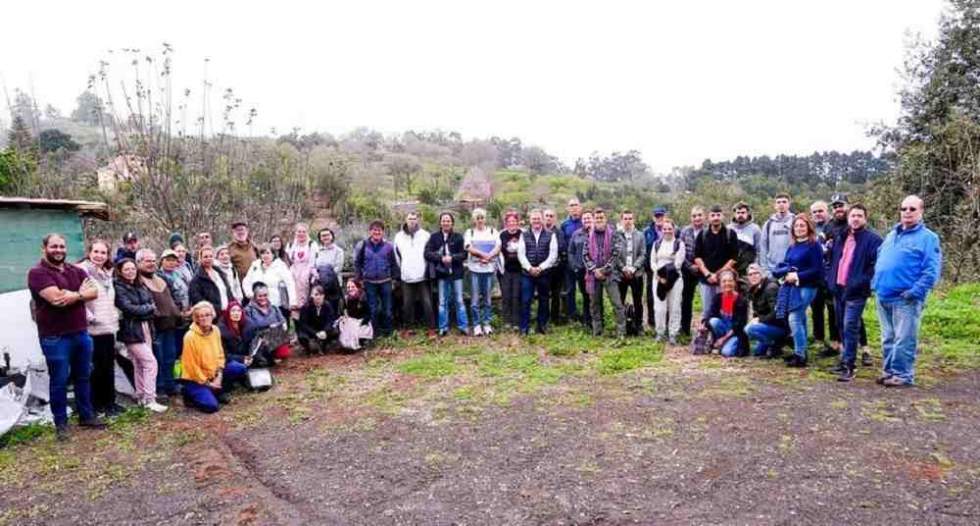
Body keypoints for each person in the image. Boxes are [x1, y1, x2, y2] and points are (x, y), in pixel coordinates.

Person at [29, 234, 106, 440]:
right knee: (59, 380)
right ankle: (61, 424)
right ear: (44, 248)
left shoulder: (75, 270)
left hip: (80, 333)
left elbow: (94, 292)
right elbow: (56, 299)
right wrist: (78, 294)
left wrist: (75, 295)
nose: (59, 250)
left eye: (62, 246)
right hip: (55, 337)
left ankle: (86, 416)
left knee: (83, 376)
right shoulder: (37, 273)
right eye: (54, 246)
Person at [871, 195, 942, 387]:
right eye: (904, 209)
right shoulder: (892, 234)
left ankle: (903, 375)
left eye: (912, 209)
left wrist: (914, 292)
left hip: (905, 299)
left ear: (921, 212)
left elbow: (931, 271)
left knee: (904, 339)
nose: (907, 212)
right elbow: (881, 259)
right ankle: (889, 372)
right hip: (883, 295)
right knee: (888, 338)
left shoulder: (928, 238)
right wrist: (875, 284)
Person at [827, 204, 883, 381]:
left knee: (850, 325)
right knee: (841, 326)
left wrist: (862, 281)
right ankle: (844, 360)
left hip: (856, 291)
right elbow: (833, 259)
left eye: (859, 215)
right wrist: (830, 279)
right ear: (848, 218)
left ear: (865, 218)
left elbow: (876, 266)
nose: (856, 219)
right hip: (839, 288)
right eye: (853, 215)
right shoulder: (841, 236)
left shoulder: (873, 240)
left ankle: (850, 365)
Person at [114, 258, 168, 413]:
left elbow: (152, 304)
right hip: (131, 331)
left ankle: (142, 396)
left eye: (132, 269)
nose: (130, 272)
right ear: (120, 271)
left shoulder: (140, 285)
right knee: (150, 362)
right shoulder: (119, 287)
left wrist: (145, 309)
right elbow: (127, 308)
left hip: (145, 328)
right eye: (126, 269)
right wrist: (146, 309)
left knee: (139, 364)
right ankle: (151, 398)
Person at [772, 214, 824, 368]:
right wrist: (784, 273)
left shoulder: (814, 245)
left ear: (808, 227)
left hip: (807, 286)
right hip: (792, 287)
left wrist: (796, 275)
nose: (799, 228)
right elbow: (787, 263)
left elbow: (817, 270)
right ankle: (801, 351)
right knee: (800, 319)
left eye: (802, 225)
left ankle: (800, 355)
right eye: (796, 226)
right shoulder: (792, 246)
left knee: (794, 318)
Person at [79, 240, 122, 417]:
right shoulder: (81, 271)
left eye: (103, 253)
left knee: (108, 367)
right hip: (92, 329)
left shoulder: (106, 273)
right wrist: (91, 318)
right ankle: (96, 405)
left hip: (108, 327)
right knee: (95, 369)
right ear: (89, 252)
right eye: (96, 251)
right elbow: (79, 299)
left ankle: (110, 403)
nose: (99, 256)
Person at [180, 301, 248, 413]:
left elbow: (221, 355)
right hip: (196, 379)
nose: (204, 318)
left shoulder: (215, 330)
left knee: (240, 368)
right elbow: (192, 368)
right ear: (196, 319)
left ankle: (218, 390)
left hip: (214, 373)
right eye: (200, 316)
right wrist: (209, 384)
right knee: (211, 407)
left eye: (207, 315)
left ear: (213, 315)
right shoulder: (190, 337)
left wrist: (219, 375)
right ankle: (189, 394)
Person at [136, 249, 183, 399]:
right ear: (139, 263)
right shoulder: (138, 281)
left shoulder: (161, 279)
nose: (151, 264)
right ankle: (159, 387)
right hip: (154, 326)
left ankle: (171, 385)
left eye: (153, 260)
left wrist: (178, 313)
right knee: (157, 358)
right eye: (147, 261)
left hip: (170, 324)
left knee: (170, 356)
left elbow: (172, 300)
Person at [426, 212, 469, 336]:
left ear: (452, 223)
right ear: (440, 223)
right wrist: (440, 258)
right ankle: (443, 327)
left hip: (456, 274)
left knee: (459, 300)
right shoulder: (434, 237)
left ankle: (463, 326)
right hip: (442, 274)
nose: (446, 223)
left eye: (448, 221)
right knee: (442, 301)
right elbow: (427, 253)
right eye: (443, 220)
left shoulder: (458, 237)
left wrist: (452, 258)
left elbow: (464, 254)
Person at [354, 220, 399, 338]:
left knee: (387, 310)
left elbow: (394, 264)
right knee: (373, 310)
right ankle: (374, 334)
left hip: (386, 282)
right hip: (369, 283)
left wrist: (395, 280)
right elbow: (357, 263)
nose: (377, 232)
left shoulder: (389, 246)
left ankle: (388, 333)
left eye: (379, 230)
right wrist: (359, 279)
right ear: (370, 231)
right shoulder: (363, 245)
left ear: (383, 232)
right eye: (374, 230)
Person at [693, 205, 739, 322]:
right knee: (707, 310)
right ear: (708, 217)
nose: (715, 218)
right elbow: (697, 257)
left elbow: (734, 257)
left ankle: (724, 337)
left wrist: (719, 274)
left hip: (726, 281)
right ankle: (706, 335)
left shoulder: (730, 234)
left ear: (722, 216)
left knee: (726, 309)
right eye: (713, 215)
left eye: (718, 215)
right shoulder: (702, 235)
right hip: (706, 280)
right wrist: (708, 274)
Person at [583, 208, 624, 338]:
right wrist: (594, 270)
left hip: (610, 274)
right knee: (595, 304)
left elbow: (616, 254)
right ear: (594, 219)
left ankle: (621, 332)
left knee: (617, 303)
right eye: (597, 218)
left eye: (601, 218)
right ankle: (598, 331)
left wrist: (605, 270)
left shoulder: (614, 234)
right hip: (593, 275)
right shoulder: (588, 235)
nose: (599, 220)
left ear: (606, 219)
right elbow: (585, 255)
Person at [518, 209, 558, 335]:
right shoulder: (524, 235)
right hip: (527, 273)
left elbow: (553, 255)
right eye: (533, 219)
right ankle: (524, 327)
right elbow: (521, 254)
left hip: (544, 273)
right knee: (526, 300)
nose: (536, 221)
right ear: (530, 220)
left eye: (538, 218)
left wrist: (540, 268)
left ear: (542, 220)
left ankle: (542, 326)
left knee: (544, 299)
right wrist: (530, 268)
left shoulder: (551, 235)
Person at [394, 212, 435, 335]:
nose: (412, 221)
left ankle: (431, 329)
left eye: (414, 219)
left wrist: (427, 271)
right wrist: (402, 269)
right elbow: (397, 256)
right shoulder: (399, 237)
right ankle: (408, 328)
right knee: (407, 304)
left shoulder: (425, 235)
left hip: (422, 275)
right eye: (410, 218)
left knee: (427, 303)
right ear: (405, 220)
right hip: (406, 276)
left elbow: (429, 253)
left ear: (418, 220)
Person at [810, 199, 840, 358]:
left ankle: (835, 340)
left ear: (827, 211)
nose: (817, 214)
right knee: (816, 308)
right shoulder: (810, 230)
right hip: (815, 275)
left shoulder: (833, 227)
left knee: (832, 309)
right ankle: (819, 338)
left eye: (820, 211)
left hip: (832, 275)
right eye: (814, 212)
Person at [464, 208, 501, 336]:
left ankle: (487, 323)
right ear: (474, 220)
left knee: (487, 299)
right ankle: (476, 324)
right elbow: (468, 247)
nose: (480, 220)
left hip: (489, 270)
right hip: (475, 269)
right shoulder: (470, 232)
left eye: (482, 218)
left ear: (485, 219)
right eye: (477, 218)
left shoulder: (493, 231)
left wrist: (489, 257)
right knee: (474, 300)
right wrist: (483, 255)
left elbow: (498, 246)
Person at [651, 219, 686, 344]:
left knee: (674, 306)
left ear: (674, 229)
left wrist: (666, 276)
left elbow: (678, 263)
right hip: (658, 279)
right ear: (661, 230)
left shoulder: (679, 244)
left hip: (675, 279)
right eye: (664, 229)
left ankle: (673, 333)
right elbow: (653, 262)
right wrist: (659, 276)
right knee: (659, 308)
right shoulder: (657, 244)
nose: (667, 231)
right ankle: (660, 333)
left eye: (669, 228)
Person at [243, 244, 299, 321]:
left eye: (268, 253)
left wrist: (293, 302)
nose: (265, 256)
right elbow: (246, 281)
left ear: (273, 254)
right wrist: (249, 293)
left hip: (275, 304)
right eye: (263, 253)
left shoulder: (280, 266)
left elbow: (290, 283)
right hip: (257, 305)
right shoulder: (255, 265)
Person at [743, 263, 788, 358]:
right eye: (750, 274)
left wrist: (759, 320)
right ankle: (772, 344)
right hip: (767, 325)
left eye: (756, 273)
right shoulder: (754, 289)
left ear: (762, 274)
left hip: (780, 327)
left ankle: (777, 344)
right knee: (758, 352)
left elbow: (777, 314)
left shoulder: (771, 288)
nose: (753, 276)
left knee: (749, 329)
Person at [702, 270, 749, 358]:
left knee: (727, 353)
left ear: (735, 283)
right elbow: (710, 314)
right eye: (724, 281)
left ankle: (722, 344)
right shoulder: (718, 298)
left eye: (730, 281)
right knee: (713, 321)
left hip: (735, 332)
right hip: (722, 329)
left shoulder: (741, 300)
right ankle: (717, 342)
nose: (727, 283)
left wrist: (723, 340)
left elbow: (739, 325)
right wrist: (703, 324)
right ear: (720, 284)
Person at [615, 210, 646, 333]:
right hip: (621, 273)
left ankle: (639, 325)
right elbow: (614, 254)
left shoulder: (640, 235)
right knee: (620, 301)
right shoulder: (616, 235)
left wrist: (633, 268)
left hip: (636, 273)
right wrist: (623, 268)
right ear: (621, 220)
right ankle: (621, 327)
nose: (628, 221)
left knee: (638, 301)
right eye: (625, 219)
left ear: (633, 220)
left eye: (630, 218)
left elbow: (643, 254)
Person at [244, 283, 291, 361]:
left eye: (265, 295)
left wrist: (276, 326)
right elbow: (252, 326)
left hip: (276, 337)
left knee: (283, 352)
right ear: (255, 296)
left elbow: (283, 321)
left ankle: (272, 356)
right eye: (260, 296)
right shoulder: (248, 310)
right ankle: (262, 357)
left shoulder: (274, 308)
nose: (263, 298)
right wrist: (269, 326)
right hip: (258, 340)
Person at [678, 207, 706, 336]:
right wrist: (690, 266)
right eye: (694, 216)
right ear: (691, 218)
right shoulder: (685, 231)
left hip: (705, 271)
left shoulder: (708, 231)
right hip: (688, 270)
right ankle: (685, 329)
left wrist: (701, 267)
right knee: (686, 300)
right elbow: (680, 253)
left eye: (699, 215)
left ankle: (706, 330)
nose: (697, 218)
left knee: (707, 301)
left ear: (704, 216)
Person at [566, 209, 594, 330]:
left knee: (595, 296)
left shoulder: (598, 233)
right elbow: (570, 251)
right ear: (582, 221)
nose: (587, 220)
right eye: (585, 219)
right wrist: (575, 267)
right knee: (585, 296)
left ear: (593, 219)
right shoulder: (576, 234)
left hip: (595, 271)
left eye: (589, 218)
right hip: (581, 270)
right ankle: (587, 321)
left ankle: (597, 320)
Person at [498, 211, 524, 330]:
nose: (512, 223)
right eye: (509, 221)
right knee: (506, 295)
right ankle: (506, 321)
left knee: (516, 295)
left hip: (519, 269)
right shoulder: (501, 235)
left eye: (514, 221)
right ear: (506, 223)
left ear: (518, 222)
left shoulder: (523, 233)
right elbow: (497, 251)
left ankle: (516, 322)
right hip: (505, 270)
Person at [188, 245, 233, 313]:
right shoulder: (196, 279)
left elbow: (228, 292)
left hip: (227, 312)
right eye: (205, 257)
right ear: (200, 259)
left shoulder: (220, 273)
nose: (209, 259)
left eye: (211, 256)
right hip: (211, 315)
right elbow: (198, 300)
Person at [560, 198, 584, 323]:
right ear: (568, 208)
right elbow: (563, 243)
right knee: (569, 289)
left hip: (584, 263)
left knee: (585, 289)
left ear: (580, 207)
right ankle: (571, 315)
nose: (574, 207)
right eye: (571, 205)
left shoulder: (585, 222)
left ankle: (587, 315)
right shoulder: (564, 225)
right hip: (569, 263)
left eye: (576, 205)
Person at [760, 193, 795, 276]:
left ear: (789, 204)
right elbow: (763, 247)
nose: (781, 204)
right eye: (778, 202)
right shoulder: (768, 224)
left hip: (791, 268)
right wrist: (765, 269)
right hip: (772, 269)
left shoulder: (795, 221)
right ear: (775, 205)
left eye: (784, 202)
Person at [643, 207, 667, 328]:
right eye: (657, 216)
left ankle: (666, 321)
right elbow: (644, 250)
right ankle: (652, 321)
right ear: (653, 217)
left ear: (665, 217)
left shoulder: (671, 229)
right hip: (651, 269)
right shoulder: (647, 231)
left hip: (667, 268)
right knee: (651, 295)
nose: (659, 218)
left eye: (661, 216)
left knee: (666, 294)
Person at [297, 285, 338, 354]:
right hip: (311, 330)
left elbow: (330, 321)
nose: (318, 297)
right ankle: (310, 347)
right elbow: (304, 324)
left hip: (323, 330)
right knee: (302, 336)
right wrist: (315, 333)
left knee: (335, 331)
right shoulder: (306, 307)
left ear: (323, 296)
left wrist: (325, 331)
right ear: (311, 296)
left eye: (320, 295)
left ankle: (324, 344)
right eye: (315, 295)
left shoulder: (328, 306)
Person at [543, 208, 567, 324]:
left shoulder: (559, 233)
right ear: (543, 217)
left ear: (555, 218)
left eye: (551, 216)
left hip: (557, 268)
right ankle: (544, 317)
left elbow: (562, 247)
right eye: (547, 215)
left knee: (556, 294)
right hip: (543, 268)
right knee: (544, 293)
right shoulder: (539, 232)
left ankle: (555, 318)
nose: (549, 218)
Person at [286, 223, 317, 310]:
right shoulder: (291, 244)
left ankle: (303, 307)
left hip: (307, 268)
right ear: (295, 233)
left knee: (303, 284)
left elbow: (313, 261)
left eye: (304, 232)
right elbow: (288, 259)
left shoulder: (312, 244)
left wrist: (308, 272)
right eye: (299, 232)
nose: (301, 234)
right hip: (294, 268)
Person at [729, 201, 762, 281]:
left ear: (748, 213)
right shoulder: (728, 229)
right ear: (734, 214)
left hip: (748, 271)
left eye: (743, 212)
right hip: (731, 270)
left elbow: (759, 250)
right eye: (738, 212)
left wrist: (755, 267)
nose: (740, 215)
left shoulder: (755, 229)